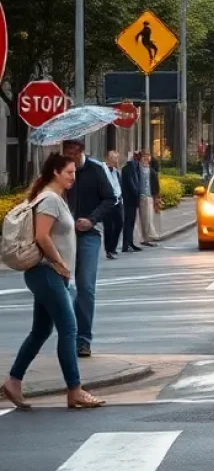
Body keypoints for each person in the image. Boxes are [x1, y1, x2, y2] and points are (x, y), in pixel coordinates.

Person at [1, 152, 106, 410]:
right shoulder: (49, 199)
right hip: (47, 273)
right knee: (69, 329)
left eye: (73, 172)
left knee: (41, 331)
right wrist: (60, 263)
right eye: (69, 172)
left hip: (48, 274)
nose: (73, 176)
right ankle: (75, 389)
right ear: (56, 172)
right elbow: (42, 236)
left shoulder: (54, 197)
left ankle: (14, 381)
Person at [61, 139, 116, 358]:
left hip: (88, 234)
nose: (70, 157)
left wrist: (91, 220)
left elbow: (110, 199)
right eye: (66, 152)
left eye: (74, 153)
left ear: (82, 151)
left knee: (85, 287)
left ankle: (83, 340)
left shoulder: (96, 170)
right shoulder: (59, 170)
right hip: (62, 234)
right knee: (61, 286)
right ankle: (66, 336)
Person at [102, 150, 123, 261]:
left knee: (119, 224)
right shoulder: (102, 169)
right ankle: (108, 250)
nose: (116, 160)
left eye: (117, 158)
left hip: (118, 201)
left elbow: (119, 185)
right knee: (108, 227)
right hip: (107, 202)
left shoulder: (116, 171)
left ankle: (113, 247)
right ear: (108, 158)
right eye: (114, 158)